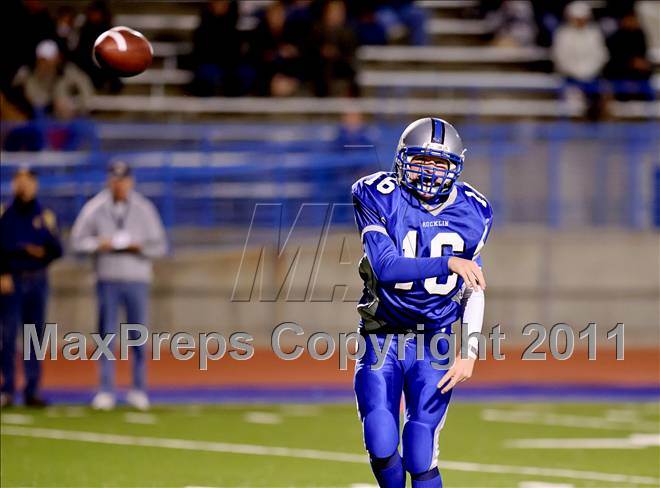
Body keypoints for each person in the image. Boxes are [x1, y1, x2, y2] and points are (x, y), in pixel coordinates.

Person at [351, 117, 492, 487]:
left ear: (455, 167)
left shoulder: (475, 212)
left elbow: (473, 286)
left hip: (435, 339)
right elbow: (384, 267)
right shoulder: (377, 193)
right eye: (421, 161)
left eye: (439, 163)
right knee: (380, 439)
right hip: (382, 335)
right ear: (402, 160)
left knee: (419, 449)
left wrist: (470, 351)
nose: (429, 171)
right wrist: (448, 261)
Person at [70, 161, 167, 411]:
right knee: (106, 335)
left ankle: (138, 388)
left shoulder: (144, 209)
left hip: (137, 278)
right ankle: (105, 389)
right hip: (107, 278)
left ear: (131, 181)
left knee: (137, 335)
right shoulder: (95, 208)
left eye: (123, 180)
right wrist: (98, 244)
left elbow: (160, 246)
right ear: (108, 181)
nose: (119, 184)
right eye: (115, 180)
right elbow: (77, 242)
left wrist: (140, 247)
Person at [0, 167, 63, 408]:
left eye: (28, 181)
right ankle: (6, 389)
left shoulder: (45, 215)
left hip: (37, 279)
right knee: (8, 336)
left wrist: (41, 253)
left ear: (35, 184)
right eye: (19, 180)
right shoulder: (5, 214)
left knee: (34, 337)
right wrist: (3, 272)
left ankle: (32, 389)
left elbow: (57, 248)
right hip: (12, 279)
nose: (24, 185)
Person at [551, 1, 608, 119]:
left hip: (592, 77)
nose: (580, 21)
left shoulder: (594, 33)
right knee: (573, 106)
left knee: (601, 99)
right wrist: (577, 75)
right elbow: (561, 58)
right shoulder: (562, 34)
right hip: (569, 78)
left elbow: (601, 55)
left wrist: (588, 74)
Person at [604, 9, 654, 101]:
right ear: (624, 20)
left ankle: (644, 100)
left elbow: (643, 53)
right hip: (620, 69)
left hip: (638, 70)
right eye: (630, 19)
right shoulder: (615, 37)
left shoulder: (639, 34)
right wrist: (631, 62)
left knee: (648, 69)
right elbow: (614, 57)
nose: (632, 22)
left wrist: (641, 62)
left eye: (634, 19)